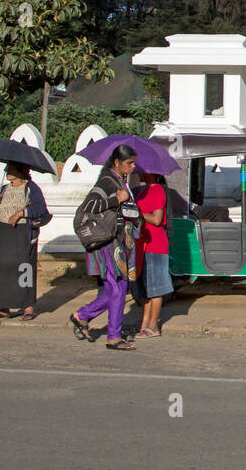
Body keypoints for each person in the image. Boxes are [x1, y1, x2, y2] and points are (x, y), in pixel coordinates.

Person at [71, 144, 141, 351]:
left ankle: (83, 315)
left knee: (119, 288)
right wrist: (117, 199)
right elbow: (91, 205)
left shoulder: (121, 182)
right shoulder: (107, 182)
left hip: (121, 244)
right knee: (117, 288)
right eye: (130, 163)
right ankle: (113, 336)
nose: (133, 166)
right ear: (117, 163)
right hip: (110, 244)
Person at [0, 163, 51, 321]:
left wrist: (21, 213)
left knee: (25, 268)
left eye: (11, 168)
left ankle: (27, 307)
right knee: (4, 269)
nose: (7, 171)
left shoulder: (31, 188)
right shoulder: (2, 189)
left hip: (22, 232)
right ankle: (4, 307)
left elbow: (40, 208)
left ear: (21, 171)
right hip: (3, 233)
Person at [134, 170, 172, 337]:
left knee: (156, 287)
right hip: (143, 242)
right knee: (145, 288)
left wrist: (138, 214)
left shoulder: (157, 190)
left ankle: (153, 325)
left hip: (155, 243)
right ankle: (145, 322)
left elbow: (157, 219)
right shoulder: (143, 191)